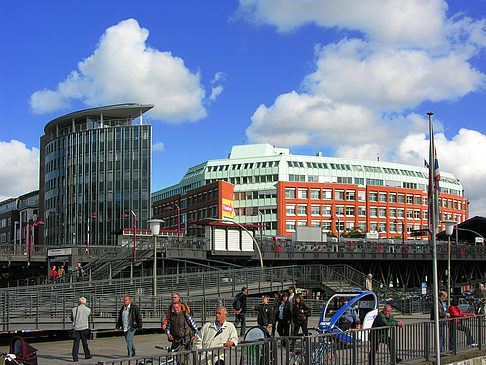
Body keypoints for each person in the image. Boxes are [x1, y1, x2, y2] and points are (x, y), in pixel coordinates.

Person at [71, 297, 92, 362]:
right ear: (85, 302)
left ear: (79, 302)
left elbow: (72, 318)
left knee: (76, 343)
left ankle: (75, 357)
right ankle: (87, 355)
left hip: (76, 328)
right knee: (84, 342)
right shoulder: (88, 310)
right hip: (84, 327)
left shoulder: (74, 309)